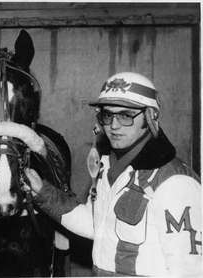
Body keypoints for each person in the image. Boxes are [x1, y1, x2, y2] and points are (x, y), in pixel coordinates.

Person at [25, 72, 202, 276]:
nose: (114, 126)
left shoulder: (175, 183)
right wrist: (42, 191)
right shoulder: (108, 167)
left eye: (126, 115)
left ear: (150, 117)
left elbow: (190, 270)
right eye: (108, 115)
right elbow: (94, 225)